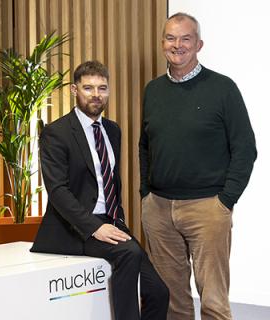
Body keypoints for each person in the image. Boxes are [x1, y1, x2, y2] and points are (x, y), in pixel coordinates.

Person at [139, 12, 257, 320]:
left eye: (185, 38)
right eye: (170, 38)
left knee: (214, 301)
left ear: (199, 44)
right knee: (171, 300)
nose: (177, 45)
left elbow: (245, 148)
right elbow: (145, 145)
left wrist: (225, 201)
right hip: (159, 210)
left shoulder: (223, 89)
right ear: (162, 42)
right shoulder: (153, 91)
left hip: (207, 208)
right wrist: (146, 194)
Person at [31, 60, 169, 320]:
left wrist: (115, 223)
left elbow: (110, 182)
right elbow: (58, 190)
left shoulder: (112, 130)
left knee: (158, 292)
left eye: (102, 88)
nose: (96, 95)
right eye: (88, 88)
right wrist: (95, 227)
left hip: (111, 222)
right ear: (74, 90)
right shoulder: (56, 132)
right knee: (129, 253)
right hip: (74, 228)